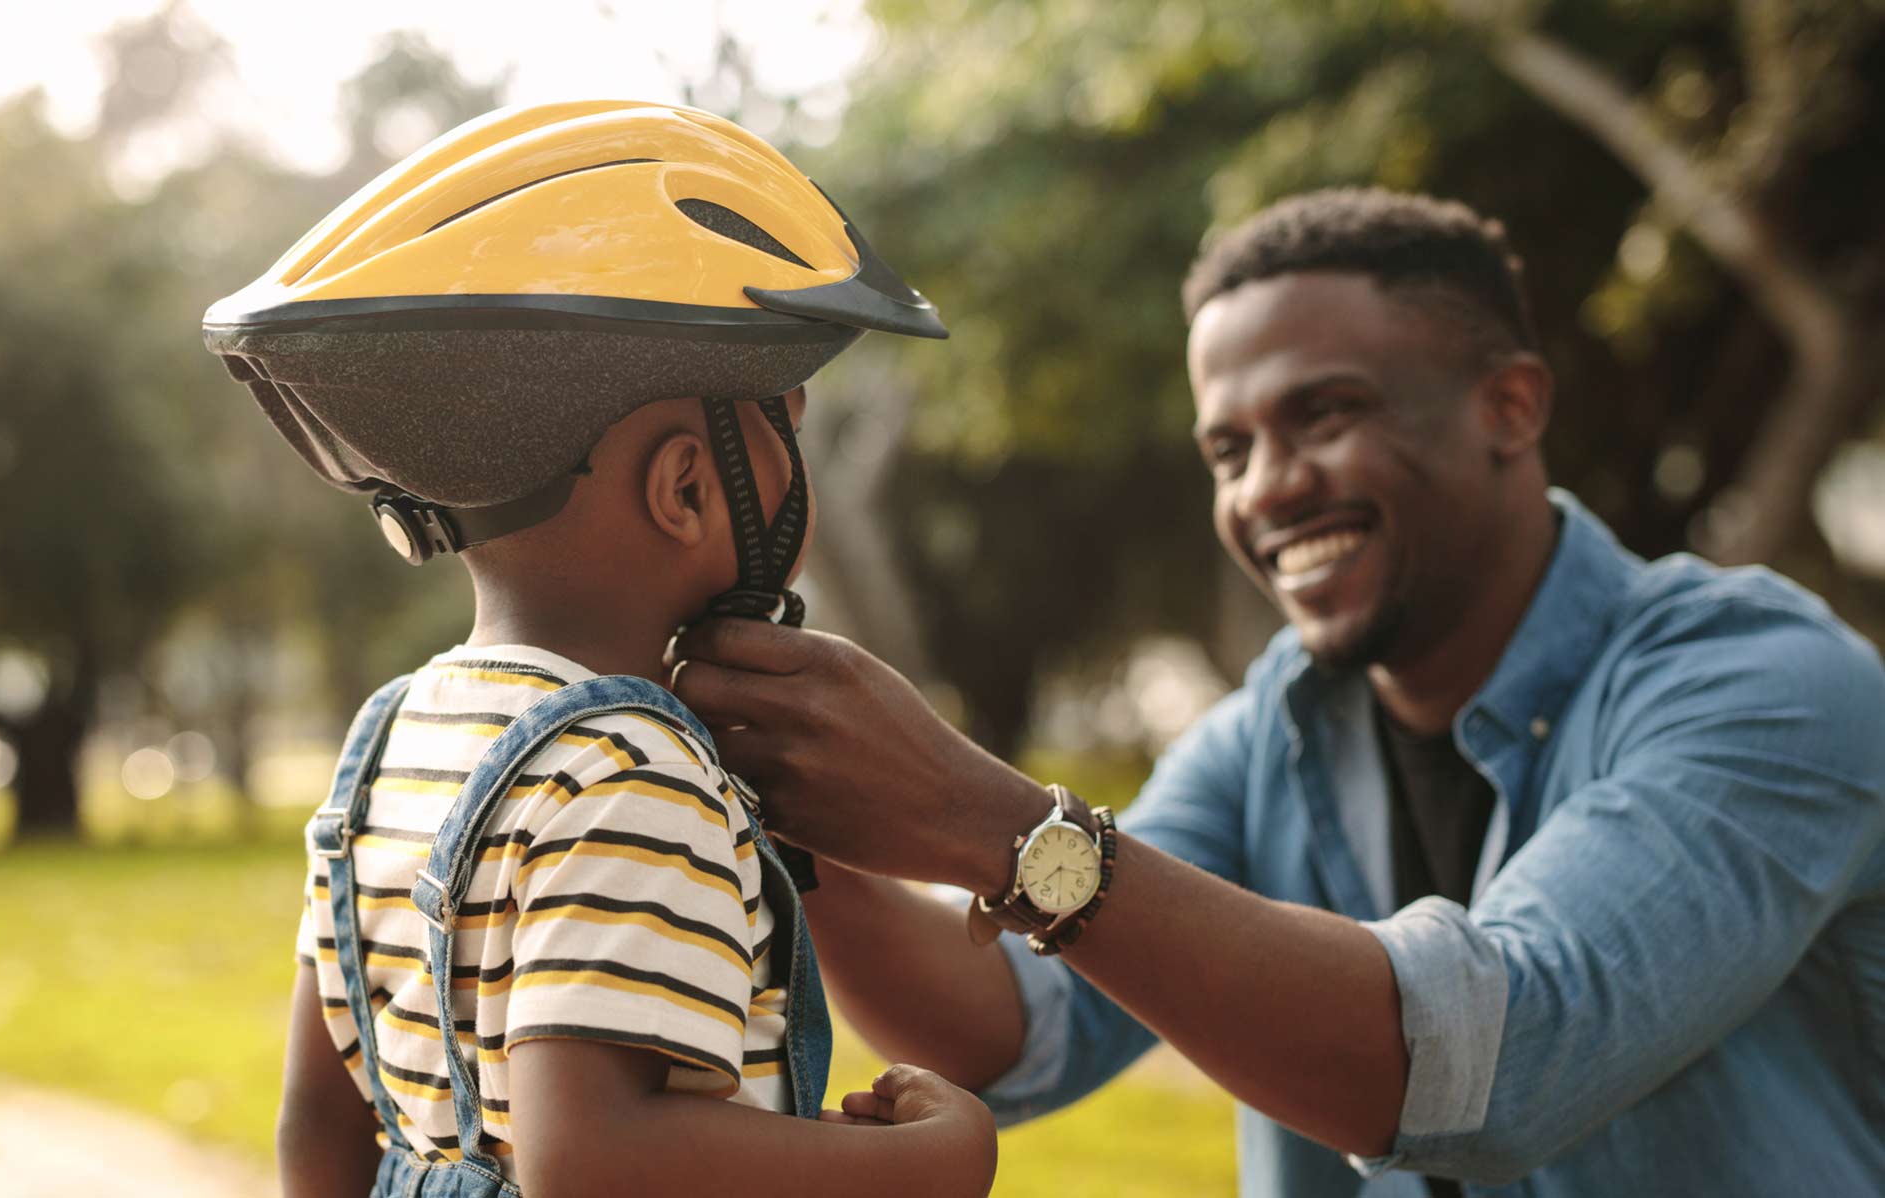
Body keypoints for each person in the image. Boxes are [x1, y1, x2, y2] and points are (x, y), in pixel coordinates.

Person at [667, 188, 1885, 1196]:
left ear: (1510, 405)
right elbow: (1014, 1027)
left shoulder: (1767, 683)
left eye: (1327, 414)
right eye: (1229, 450)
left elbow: (1504, 1060)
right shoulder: (1272, 732)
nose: (1269, 489)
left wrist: (986, 818)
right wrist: (785, 793)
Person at [202, 101, 996, 1198]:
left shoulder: (390, 739)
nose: (797, 457)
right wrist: (920, 1165)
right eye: (791, 426)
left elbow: (316, 1127)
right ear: (684, 486)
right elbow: (596, 1158)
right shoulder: (631, 771)